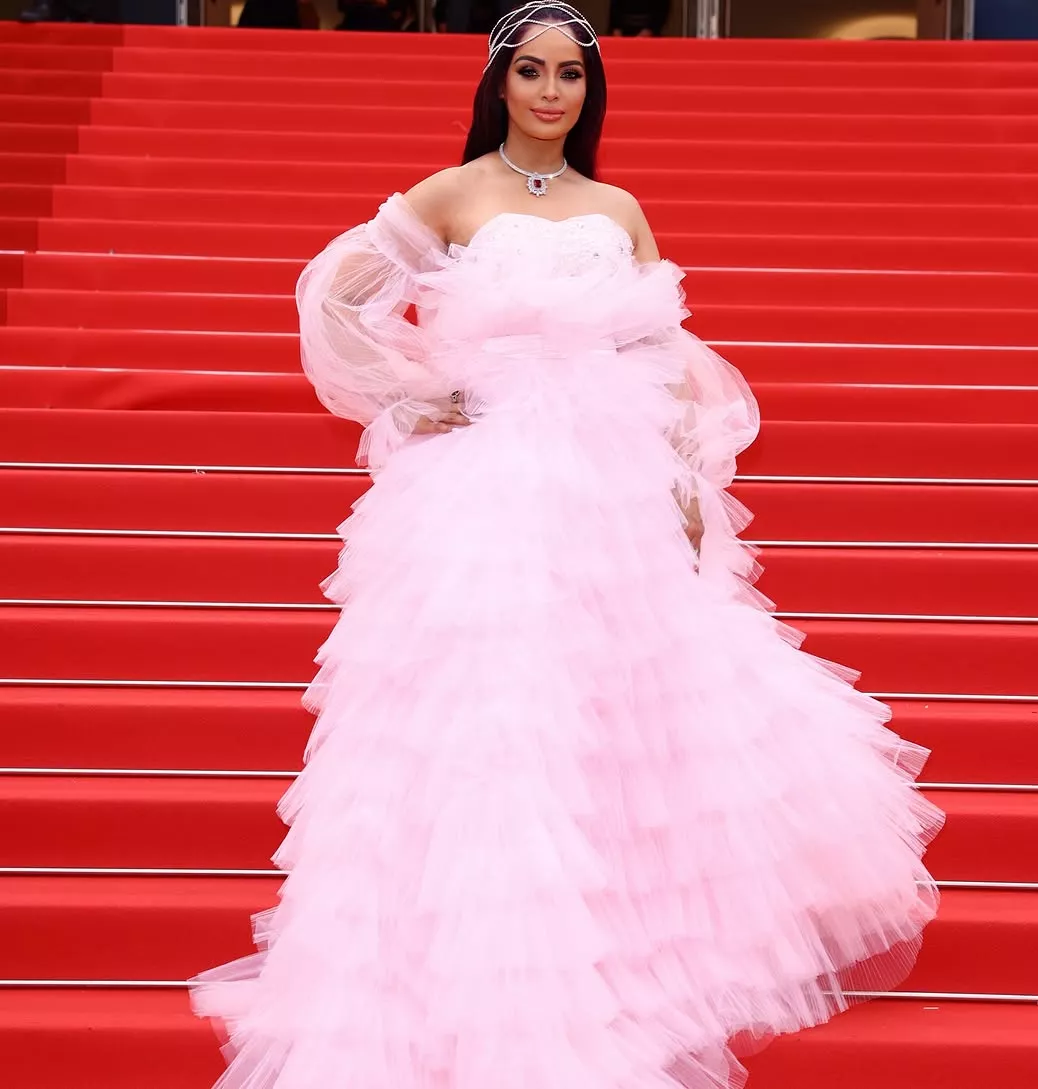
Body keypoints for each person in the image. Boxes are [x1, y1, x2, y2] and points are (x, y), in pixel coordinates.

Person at [188, 5, 944, 1088]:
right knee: (500, 705)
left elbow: (664, 354)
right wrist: (416, 392)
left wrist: (685, 476)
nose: (551, 93)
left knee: (621, 701)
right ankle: (492, 961)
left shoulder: (617, 208)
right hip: (490, 482)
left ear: (590, 91)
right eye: (533, 72)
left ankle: (625, 949)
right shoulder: (452, 194)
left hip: (611, 481)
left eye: (571, 76)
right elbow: (335, 296)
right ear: (499, 83)